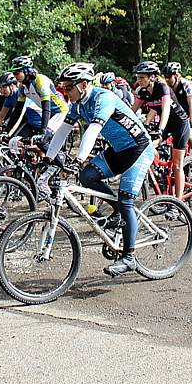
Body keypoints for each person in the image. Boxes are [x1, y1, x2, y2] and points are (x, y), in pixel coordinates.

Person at [45, 62, 155, 277]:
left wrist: (78, 159)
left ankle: (129, 257)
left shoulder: (103, 98)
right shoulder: (77, 105)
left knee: (126, 200)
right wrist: (48, 158)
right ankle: (118, 210)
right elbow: (63, 130)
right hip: (118, 150)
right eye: (63, 87)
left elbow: (93, 129)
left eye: (69, 87)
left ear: (84, 84)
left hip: (139, 149)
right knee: (88, 176)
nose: (65, 92)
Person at [131, 61, 190, 198]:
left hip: (179, 124)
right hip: (165, 124)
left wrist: (160, 129)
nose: (138, 80)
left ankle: (178, 202)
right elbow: (132, 111)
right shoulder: (143, 92)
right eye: (138, 77)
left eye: (142, 77)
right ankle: (160, 175)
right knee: (148, 147)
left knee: (177, 165)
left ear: (152, 77)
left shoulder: (162, 87)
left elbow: (166, 110)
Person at [0, 56, 68, 140]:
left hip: (59, 112)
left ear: (26, 71)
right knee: (15, 140)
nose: (15, 76)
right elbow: (17, 111)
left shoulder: (40, 80)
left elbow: (46, 108)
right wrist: (7, 131)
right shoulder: (22, 87)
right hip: (48, 113)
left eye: (16, 73)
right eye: (13, 73)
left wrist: (43, 131)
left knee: (43, 141)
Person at [0, 72, 42, 137]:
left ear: (12, 85)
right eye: (0, 88)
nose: (1, 90)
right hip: (30, 123)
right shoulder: (9, 97)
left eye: (4, 87)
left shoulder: (21, 93)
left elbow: (19, 116)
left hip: (41, 125)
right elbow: (1, 116)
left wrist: (8, 134)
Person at [163, 62, 192, 155]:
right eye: (165, 77)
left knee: (189, 133)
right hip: (180, 113)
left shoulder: (186, 84)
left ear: (176, 75)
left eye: (169, 77)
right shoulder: (165, 87)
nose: (167, 79)